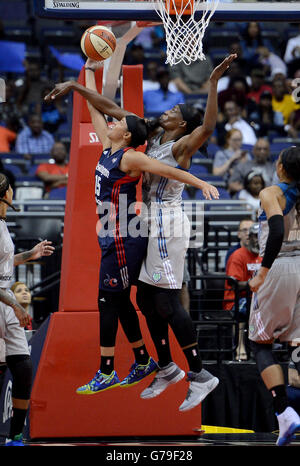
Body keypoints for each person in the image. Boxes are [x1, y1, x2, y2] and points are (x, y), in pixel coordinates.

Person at [45, 53, 237, 411]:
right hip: (148, 221)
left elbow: (208, 127)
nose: (167, 111)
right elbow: (107, 108)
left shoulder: (180, 146)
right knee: (146, 300)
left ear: (183, 124)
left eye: (175, 110)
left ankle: (199, 374)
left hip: (167, 222)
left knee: (164, 300)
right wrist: (77, 85)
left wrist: (211, 86)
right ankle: (165, 367)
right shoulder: (151, 137)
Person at [248, 146, 300, 446]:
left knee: (259, 342)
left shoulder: (272, 193)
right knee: (295, 342)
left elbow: (277, 231)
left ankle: (283, 411)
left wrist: (264, 271)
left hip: (280, 267)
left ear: (280, 168)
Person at [0, 173, 55, 446]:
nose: (13, 190)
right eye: (10, 187)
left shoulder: (2, 223)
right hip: (2, 301)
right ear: (4, 193)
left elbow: (5, 266)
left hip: (5, 298)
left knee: (22, 367)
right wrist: (15, 306)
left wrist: (30, 255)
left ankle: (16, 436)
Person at [224, 223, 262, 360]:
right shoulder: (237, 256)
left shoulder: (265, 256)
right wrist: (256, 282)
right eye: (255, 237)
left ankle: (269, 346)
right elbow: (234, 284)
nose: (258, 240)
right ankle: (240, 346)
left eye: (261, 236)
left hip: (260, 297)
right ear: (249, 238)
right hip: (236, 299)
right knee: (245, 307)